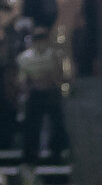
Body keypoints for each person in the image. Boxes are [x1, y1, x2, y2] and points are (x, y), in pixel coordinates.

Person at [17, 26, 69, 165]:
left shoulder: (54, 55)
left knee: (56, 123)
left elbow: (60, 76)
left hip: (51, 93)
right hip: (35, 94)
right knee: (32, 125)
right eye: (38, 39)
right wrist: (30, 87)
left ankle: (57, 151)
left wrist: (52, 82)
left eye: (43, 39)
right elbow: (22, 79)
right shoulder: (25, 58)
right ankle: (31, 154)